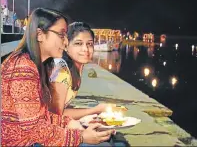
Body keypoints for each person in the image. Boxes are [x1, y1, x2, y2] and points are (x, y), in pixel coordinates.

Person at [1, 8, 114, 146]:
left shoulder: (33, 65)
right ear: (40, 35)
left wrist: (71, 123)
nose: (66, 42)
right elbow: (34, 128)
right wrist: (81, 137)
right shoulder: (23, 68)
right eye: (61, 35)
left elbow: (42, 116)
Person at [47, 22, 127, 147]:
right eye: (78, 43)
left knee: (115, 139)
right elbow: (55, 114)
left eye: (89, 44)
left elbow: (62, 109)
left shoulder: (75, 69)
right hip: (43, 134)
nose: (85, 49)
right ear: (66, 46)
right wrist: (95, 110)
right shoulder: (61, 71)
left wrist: (94, 114)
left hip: (55, 127)